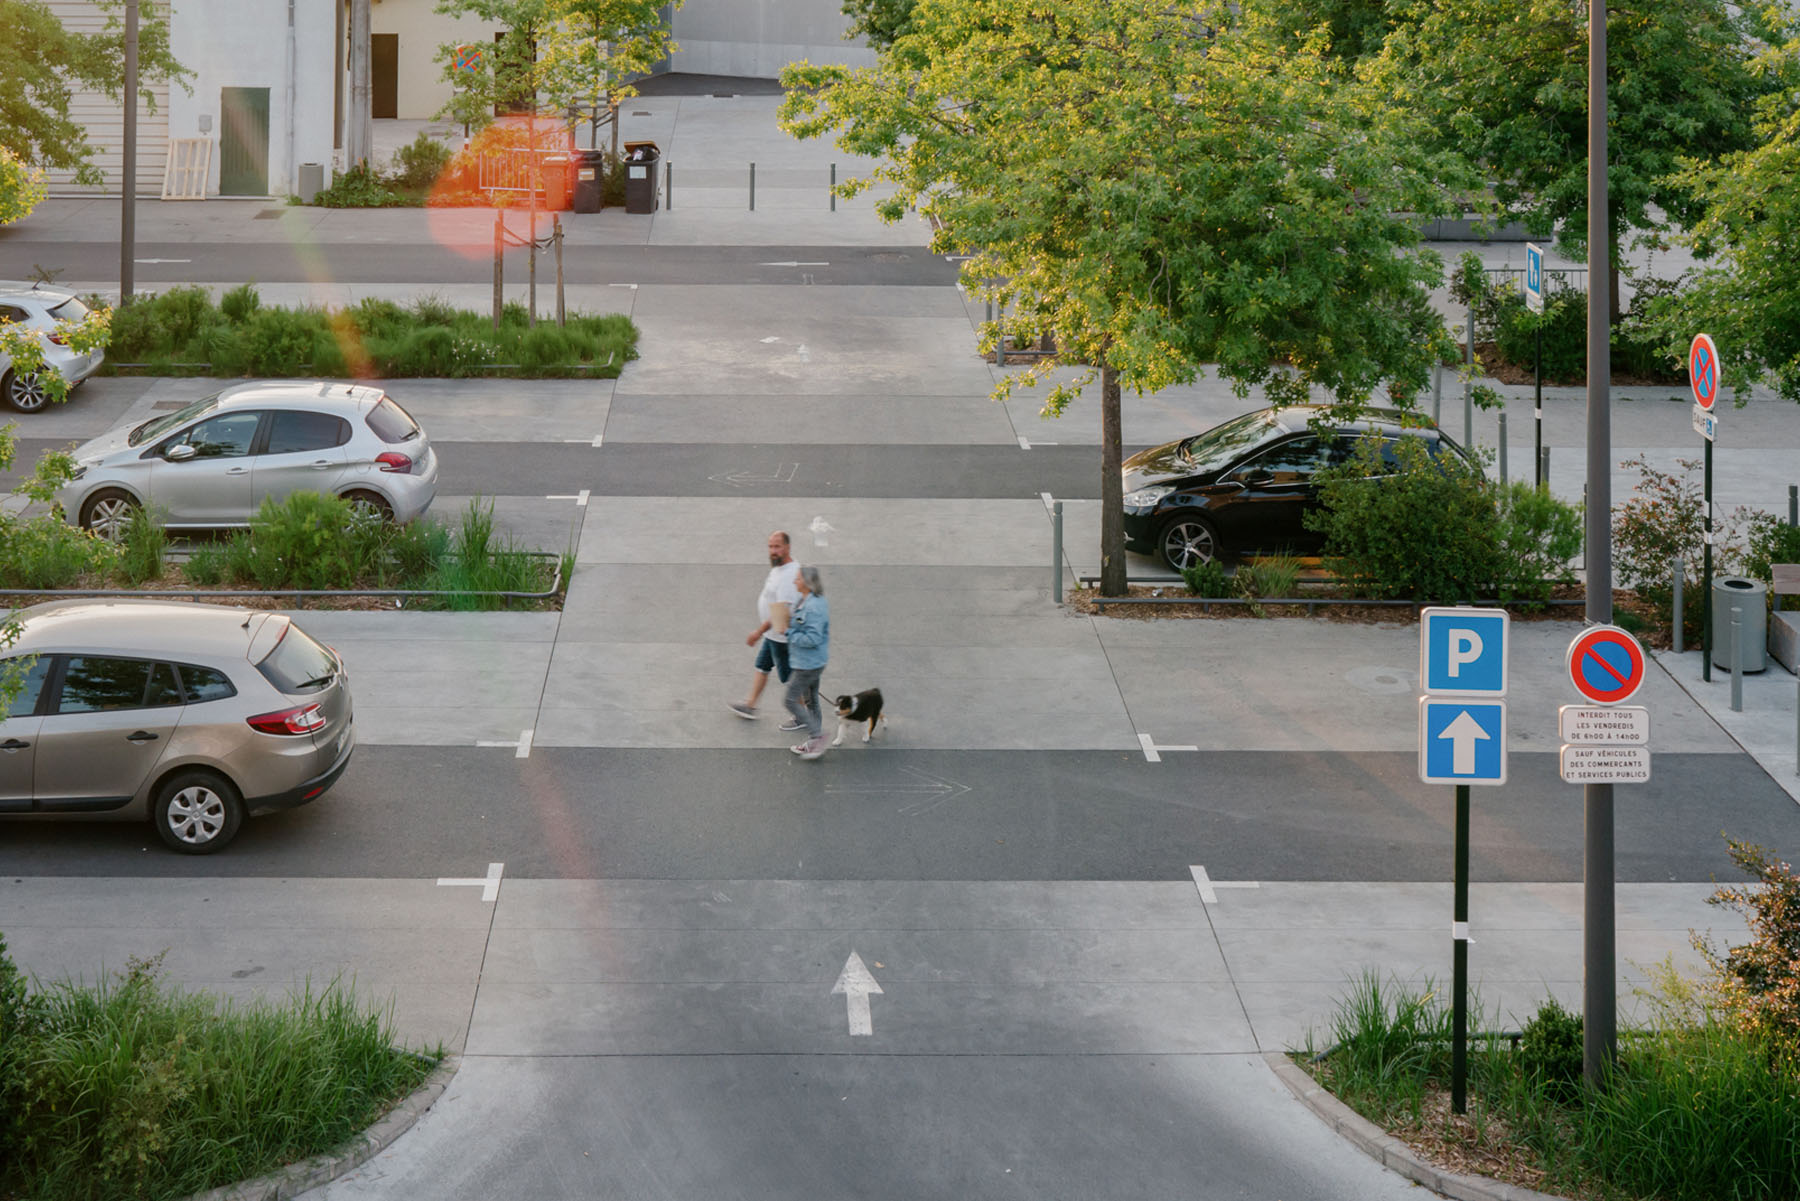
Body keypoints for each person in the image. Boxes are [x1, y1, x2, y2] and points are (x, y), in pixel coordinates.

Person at [729, 531, 804, 726]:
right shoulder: (780, 567)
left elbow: (780, 612)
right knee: (762, 666)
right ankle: (751, 705)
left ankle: (802, 715)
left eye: (777, 547)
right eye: (770, 547)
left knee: (789, 678)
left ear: (787, 547)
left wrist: (757, 633)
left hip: (780, 637)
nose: (773, 551)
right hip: (773, 635)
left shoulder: (788, 576)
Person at [783, 565, 831, 759]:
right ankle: (813, 741)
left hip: (809, 665)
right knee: (811, 700)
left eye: (798, 579)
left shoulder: (814, 606)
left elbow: (813, 638)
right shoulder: (804, 600)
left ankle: (817, 736)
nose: (795, 581)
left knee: (790, 700)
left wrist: (789, 633)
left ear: (807, 582)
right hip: (807, 662)